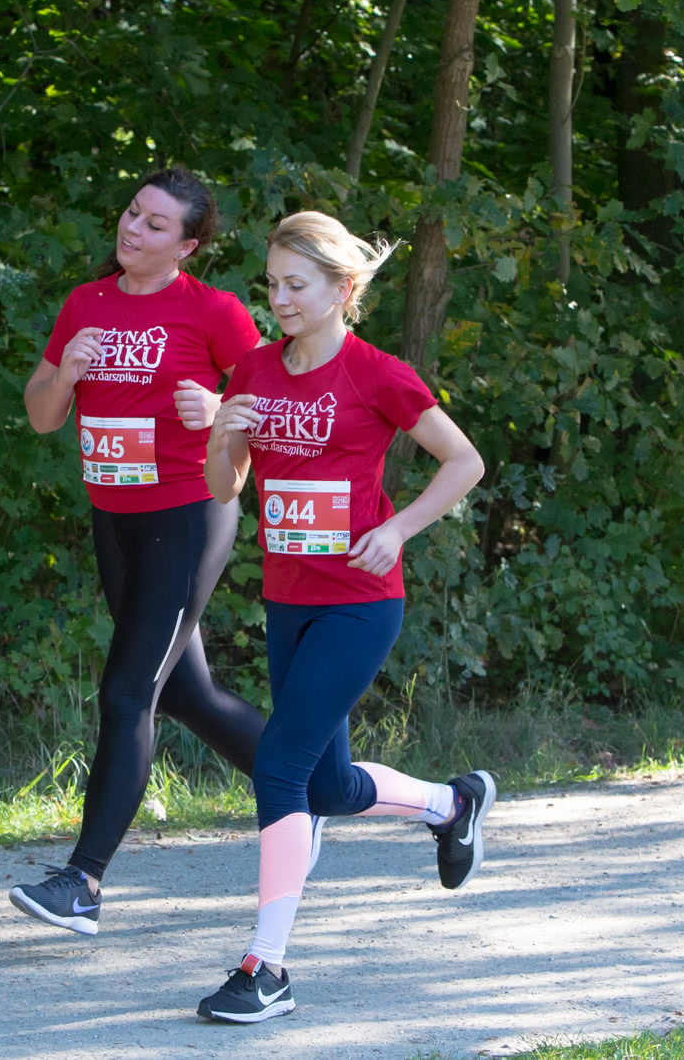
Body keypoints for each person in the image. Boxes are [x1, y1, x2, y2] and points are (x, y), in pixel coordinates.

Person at [195, 211, 493, 1023]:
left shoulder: (376, 374)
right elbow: (225, 486)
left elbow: (463, 461)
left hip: (361, 603)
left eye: (297, 284)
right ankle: (451, 805)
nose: (279, 298)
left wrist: (397, 527)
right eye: (272, 283)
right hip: (288, 599)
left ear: (343, 289)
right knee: (324, 784)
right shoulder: (256, 367)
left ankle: (267, 966)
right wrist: (226, 434)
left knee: (279, 768)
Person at [11, 168, 273, 937]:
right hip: (115, 519)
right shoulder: (85, 303)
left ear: (188, 246)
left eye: (157, 225)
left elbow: (274, 407)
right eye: (132, 212)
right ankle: (318, 786)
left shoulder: (213, 311)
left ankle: (83, 881)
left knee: (128, 693)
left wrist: (222, 408)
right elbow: (41, 416)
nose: (133, 229)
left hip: (187, 516)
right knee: (186, 694)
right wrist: (68, 371)